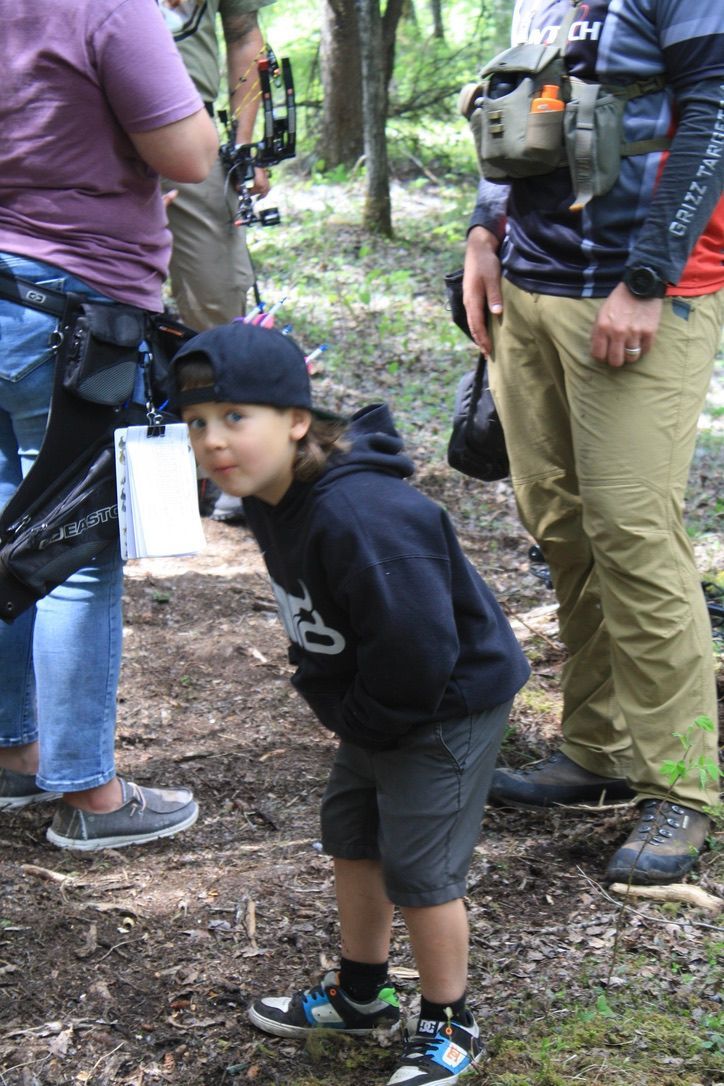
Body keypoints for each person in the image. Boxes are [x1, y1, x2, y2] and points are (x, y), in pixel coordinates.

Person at [169, 321, 530, 1086]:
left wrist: (361, 715)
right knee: (354, 837)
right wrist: (340, 701)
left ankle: (448, 1020)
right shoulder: (269, 499)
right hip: (380, 699)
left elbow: (423, 647)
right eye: (198, 423)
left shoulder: (359, 516)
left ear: (296, 421)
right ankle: (363, 994)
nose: (213, 441)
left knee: (421, 870)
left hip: (445, 703)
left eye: (236, 418)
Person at [462, 0, 723, 885]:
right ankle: (598, 746)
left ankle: (680, 787)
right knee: (563, 525)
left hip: (641, 297)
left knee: (633, 533)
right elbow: (522, 102)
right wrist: (482, 232)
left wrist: (648, 276)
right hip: (530, 289)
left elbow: (716, 110)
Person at [0, 0, 219, 849]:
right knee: (75, 548)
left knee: (12, 523)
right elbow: (189, 154)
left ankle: (16, 750)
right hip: (73, 308)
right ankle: (88, 794)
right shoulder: (107, 7)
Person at [160, 0, 275, 525]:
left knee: (215, 303)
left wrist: (246, 147)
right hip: (89, 132)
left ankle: (232, 467)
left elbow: (245, 36)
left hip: (188, 127)